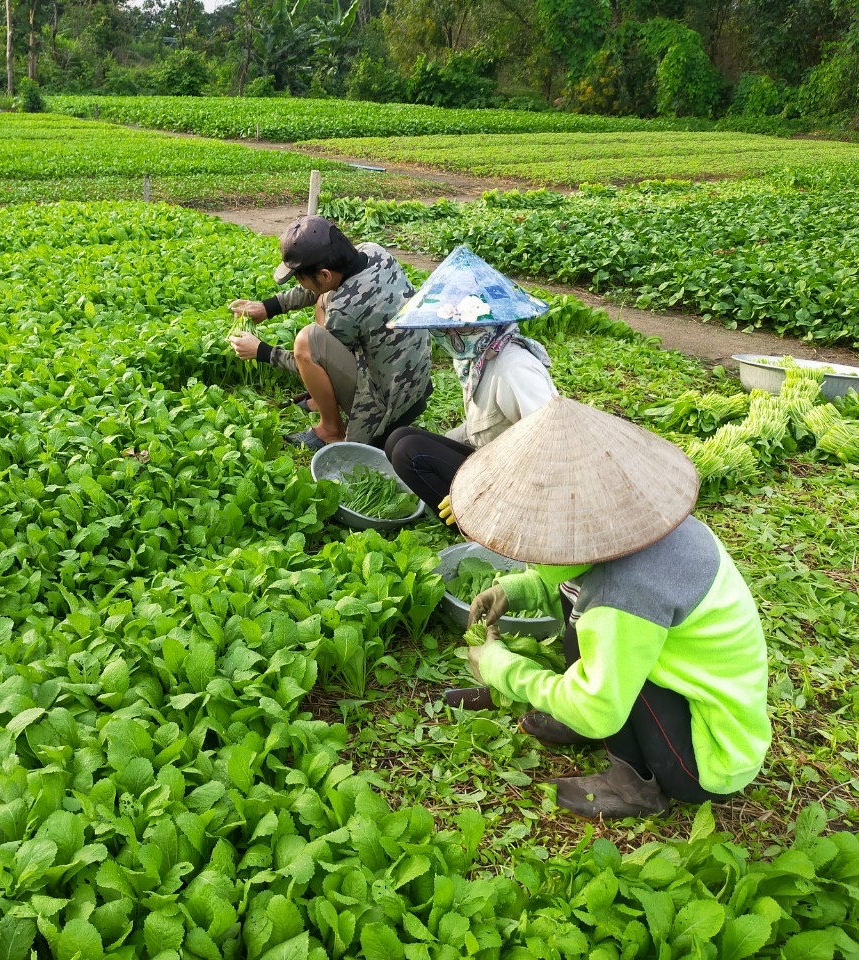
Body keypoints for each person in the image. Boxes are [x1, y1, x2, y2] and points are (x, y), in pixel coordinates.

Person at [448, 397, 770, 819]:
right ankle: (579, 719)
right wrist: (518, 589)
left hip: (708, 754)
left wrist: (502, 669)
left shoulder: (626, 591)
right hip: (681, 684)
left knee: (605, 680)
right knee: (588, 622)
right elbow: (574, 584)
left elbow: (601, 706)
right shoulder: (646, 527)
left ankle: (636, 786)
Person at [228, 216, 432, 451]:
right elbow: (319, 288)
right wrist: (268, 307)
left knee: (307, 342)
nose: (301, 284)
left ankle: (330, 430)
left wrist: (261, 351)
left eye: (300, 278)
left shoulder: (345, 310)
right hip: (414, 383)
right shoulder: (372, 251)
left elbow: (308, 360)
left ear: (324, 274)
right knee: (325, 297)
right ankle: (323, 399)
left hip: (389, 407)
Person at [382, 246, 558, 515]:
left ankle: (478, 529)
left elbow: (550, 447)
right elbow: (479, 429)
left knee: (410, 451)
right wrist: (440, 447)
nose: (442, 335)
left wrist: (479, 487)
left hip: (524, 489)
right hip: (493, 462)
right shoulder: (477, 357)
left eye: (449, 328)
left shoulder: (515, 368)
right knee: (399, 439)